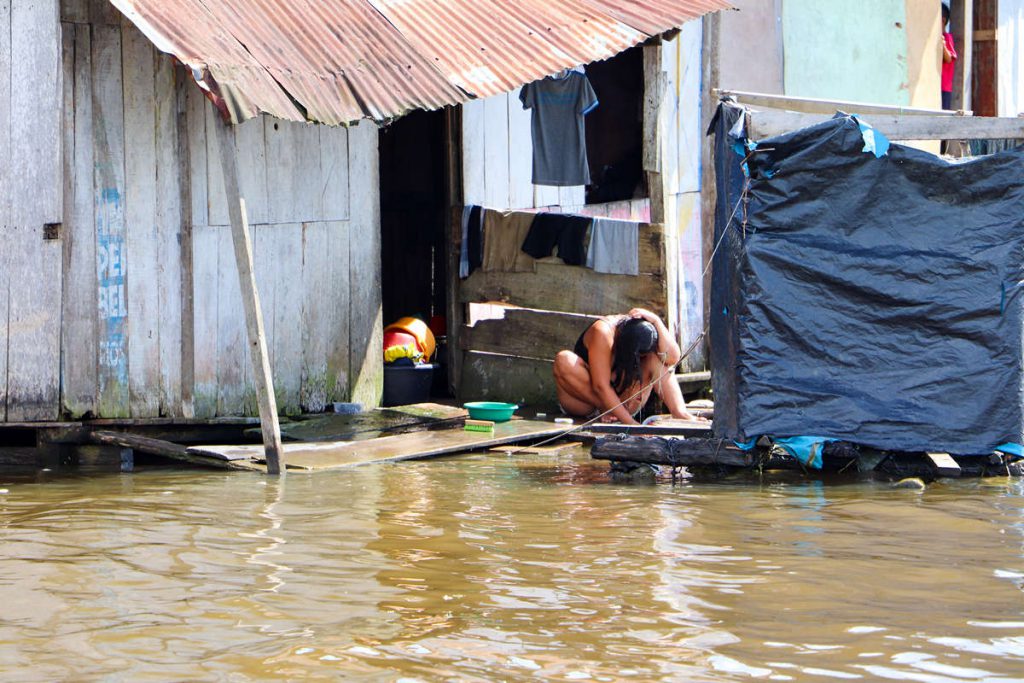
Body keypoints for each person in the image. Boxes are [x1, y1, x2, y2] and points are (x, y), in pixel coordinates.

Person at [552, 308, 704, 425]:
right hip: (590, 402)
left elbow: (671, 358)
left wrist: (657, 321)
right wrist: (631, 424)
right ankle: (611, 410)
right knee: (564, 359)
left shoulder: (644, 323)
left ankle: (679, 412)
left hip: (627, 400)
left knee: (657, 358)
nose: (639, 362)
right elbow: (601, 386)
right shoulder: (603, 332)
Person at [941, 3, 958, 111]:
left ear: (942, 20)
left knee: (942, 113)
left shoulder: (947, 38)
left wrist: (942, 46)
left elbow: (949, 59)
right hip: (937, 86)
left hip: (944, 87)